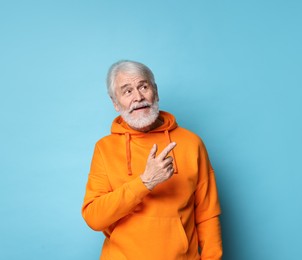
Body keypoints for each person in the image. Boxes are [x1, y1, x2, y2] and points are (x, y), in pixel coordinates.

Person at [81, 60, 223, 260]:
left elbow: (207, 214)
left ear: (155, 92)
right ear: (115, 102)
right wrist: (145, 183)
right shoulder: (105, 149)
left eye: (143, 86)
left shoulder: (192, 143)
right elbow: (94, 218)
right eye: (127, 91)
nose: (138, 97)